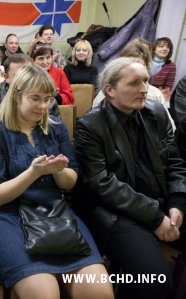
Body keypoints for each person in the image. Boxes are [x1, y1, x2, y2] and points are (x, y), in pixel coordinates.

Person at [0, 64, 113, 299]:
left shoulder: (56, 129)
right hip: (10, 216)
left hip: (56, 212)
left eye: (48, 99)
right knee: (44, 295)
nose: (43, 106)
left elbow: (70, 182)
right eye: (35, 99)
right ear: (16, 94)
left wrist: (58, 171)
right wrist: (34, 172)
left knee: (99, 291)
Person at [75, 57, 186, 299]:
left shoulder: (156, 112)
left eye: (146, 81)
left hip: (162, 202)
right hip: (118, 212)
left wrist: (178, 202)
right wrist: (156, 218)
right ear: (110, 90)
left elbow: (175, 162)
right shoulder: (90, 125)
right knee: (153, 282)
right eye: (134, 83)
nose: (145, 89)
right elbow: (102, 184)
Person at [0, 54, 59, 124]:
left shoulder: (49, 101)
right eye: (18, 76)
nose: (25, 80)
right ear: (6, 77)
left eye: (29, 75)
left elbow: (54, 130)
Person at [150, 37, 177, 102]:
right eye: (161, 46)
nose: (165, 49)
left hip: (156, 98)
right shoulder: (145, 61)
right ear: (154, 50)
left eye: (168, 47)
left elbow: (167, 88)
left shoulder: (171, 66)